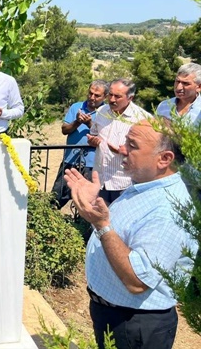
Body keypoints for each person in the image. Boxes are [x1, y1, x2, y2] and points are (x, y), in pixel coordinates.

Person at [65, 121, 197, 349]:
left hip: (134, 325)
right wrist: (96, 205)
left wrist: (101, 225)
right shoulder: (145, 186)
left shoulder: (168, 210)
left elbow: (137, 282)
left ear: (164, 159)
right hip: (117, 315)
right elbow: (125, 234)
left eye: (132, 145)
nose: (122, 149)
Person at [87, 79, 150, 204]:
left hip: (125, 183)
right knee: (98, 221)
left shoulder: (142, 118)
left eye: (117, 96)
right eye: (110, 94)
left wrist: (128, 151)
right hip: (100, 180)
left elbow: (151, 151)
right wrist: (93, 141)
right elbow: (94, 133)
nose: (112, 100)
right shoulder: (102, 111)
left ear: (130, 98)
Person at [51, 80, 108, 208]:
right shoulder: (76, 107)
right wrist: (77, 122)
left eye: (97, 95)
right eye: (90, 93)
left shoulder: (107, 113)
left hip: (92, 165)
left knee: (87, 203)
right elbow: (64, 130)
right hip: (70, 161)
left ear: (105, 97)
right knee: (55, 198)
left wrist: (89, 124)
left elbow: (105, 136)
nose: (92, 97)